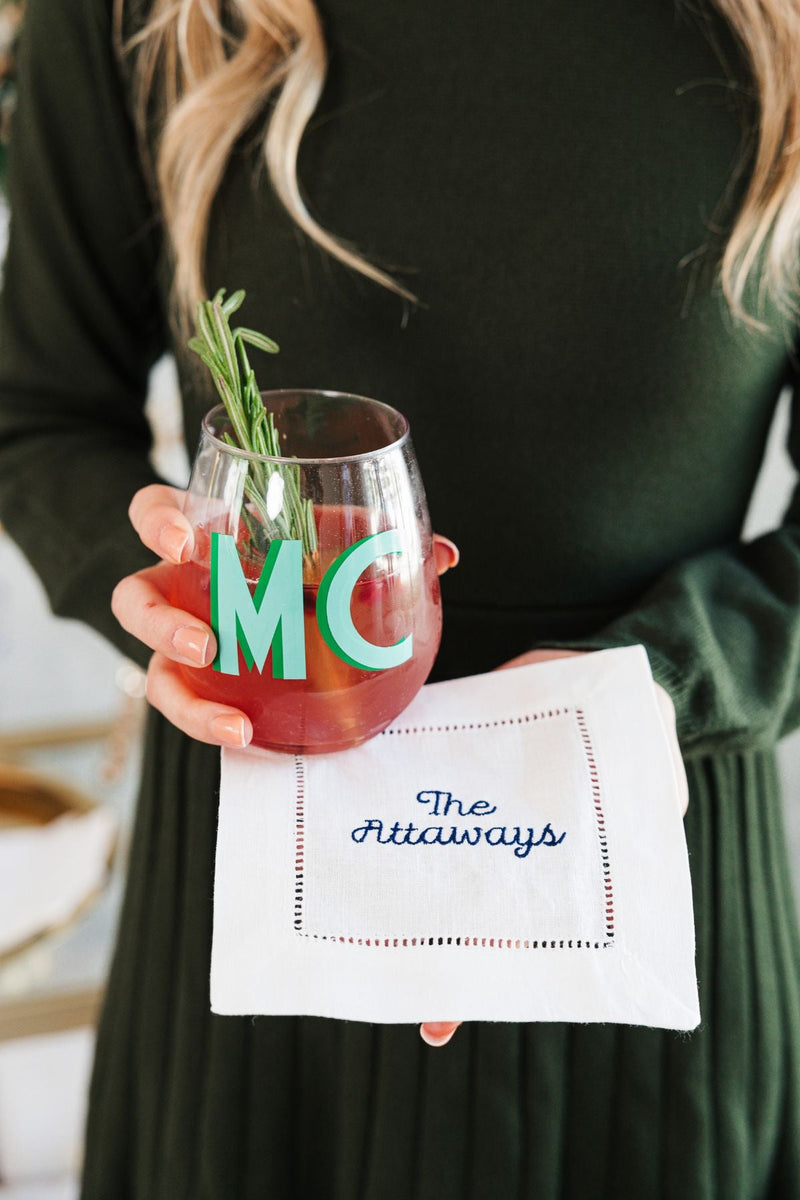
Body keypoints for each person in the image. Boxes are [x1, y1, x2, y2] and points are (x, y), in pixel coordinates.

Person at [0, 0, 798, 1195]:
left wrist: (663, 681)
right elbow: (42, 411)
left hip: (641, 884)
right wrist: (160, 585)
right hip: (259, 890)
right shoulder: (143, 18)